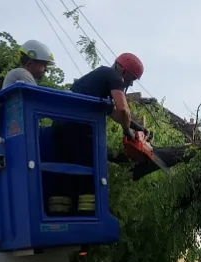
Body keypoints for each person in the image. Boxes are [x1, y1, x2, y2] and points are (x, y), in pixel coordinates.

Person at [45, 53, 149, 217]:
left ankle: (60, 212)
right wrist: (127, 130)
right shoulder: (113, 76)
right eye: (132, 79)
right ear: (123, 70)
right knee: (90, 169)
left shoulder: (95, 83)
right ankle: (88, 215)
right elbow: (123, 109)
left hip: (60, 128)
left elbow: (114, 113)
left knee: (65, 173)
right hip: (79, 128)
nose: (130, 83)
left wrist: (137, 127)